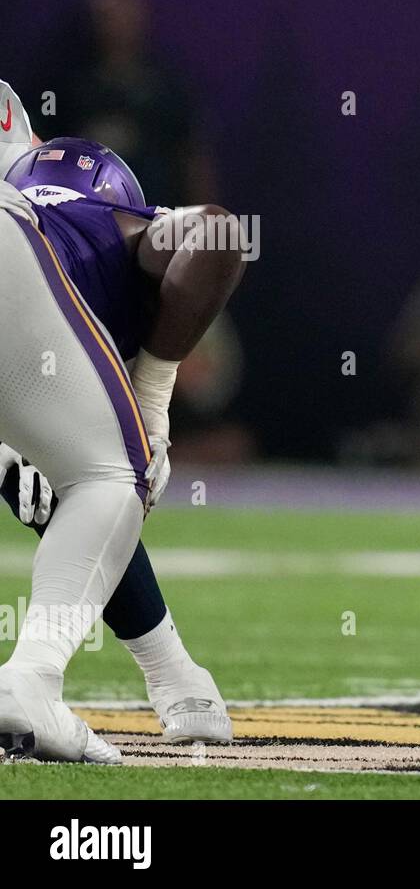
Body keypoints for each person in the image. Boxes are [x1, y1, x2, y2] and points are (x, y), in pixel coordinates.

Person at [0, 134, 243, 760]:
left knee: (74, 479)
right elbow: (219, 233)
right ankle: (32, 680)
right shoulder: (105, 226)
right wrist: (155, 388)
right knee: (110, 478)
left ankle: (173, 676)